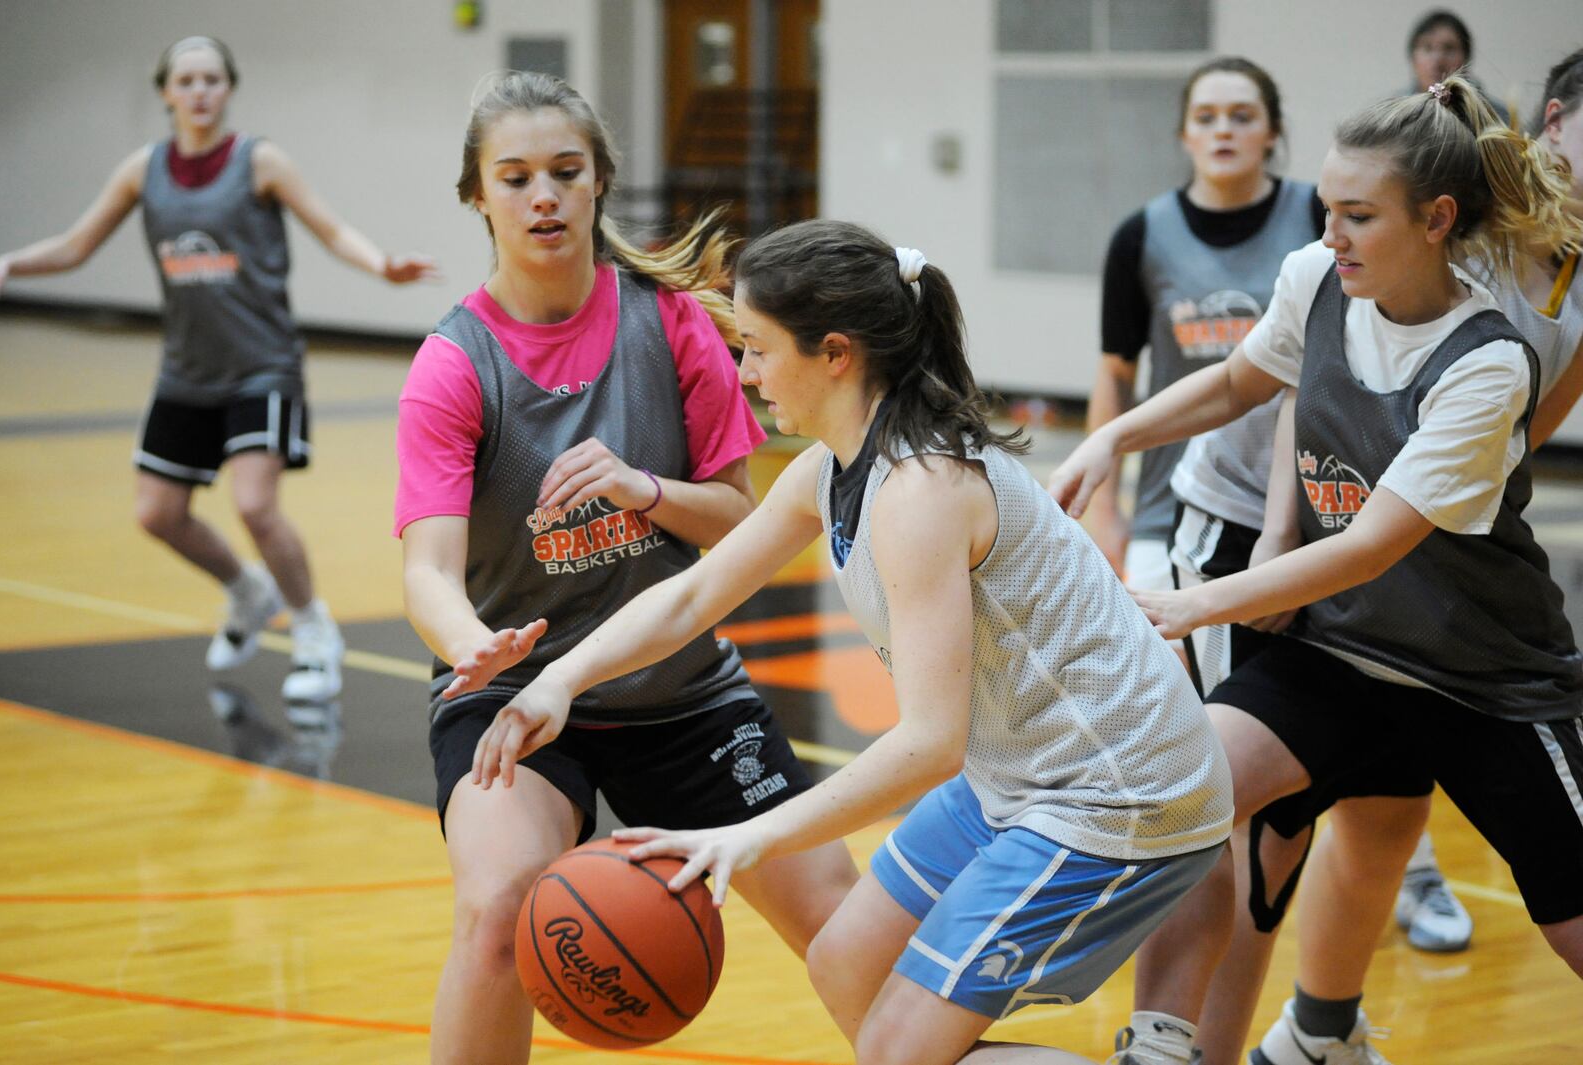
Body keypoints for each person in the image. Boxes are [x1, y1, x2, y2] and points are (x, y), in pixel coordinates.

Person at [462, 218, 1234, 1065]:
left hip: (1116, 792)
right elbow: (691, 596)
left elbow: (929, 743)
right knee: (844, 961)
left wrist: (747, 834)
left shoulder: (922, 491)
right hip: (1018, 772)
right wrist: (559, 680)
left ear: (835, 353)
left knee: (900, 1049)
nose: (744, 371)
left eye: (756, 348)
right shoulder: (831, 466)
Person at [1050, 75, 1583, 1065]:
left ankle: (1315, 1033)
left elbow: (1370, 545)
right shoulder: (1317, 279)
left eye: (1356, 216)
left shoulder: (1487, 358)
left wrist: (1179, 604)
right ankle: (1164, 1045)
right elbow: (1239, 383)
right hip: (1342, 647)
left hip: (1479, 674)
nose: (1329, 233)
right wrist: (1110, 440)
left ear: (1435, 219)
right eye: (1328, 210)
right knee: (1180, 789)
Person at [395, 72, 859, 1065]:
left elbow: (739, 518)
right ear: (478, 196)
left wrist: (642, 489)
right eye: (514, 178)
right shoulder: (453, 362)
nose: (543, 197)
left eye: (564, 172)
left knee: (844, 921)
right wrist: (474, 648)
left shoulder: (672, 321)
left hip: (679, 693)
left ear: (601, 181)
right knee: (496, 906)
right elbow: (428, 570)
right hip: (518, 697)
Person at [0, 35, 436, 700]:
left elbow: (332, 230)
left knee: (255, 502)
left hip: (263, 366)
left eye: (212, 80)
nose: (200, 92)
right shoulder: (144, 170)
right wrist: (12, 263)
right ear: (166, 91)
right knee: (157, 514)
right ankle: (247, 590)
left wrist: (380, 264)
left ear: (228, 88)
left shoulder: (261, 160)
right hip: (187, 371)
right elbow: (77, 245)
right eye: (187, 80)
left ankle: (314, 629)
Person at [1086, 59, 1323, 591]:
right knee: (1163, 672)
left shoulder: (1318, 216)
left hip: (1292, 506)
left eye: (1241, 116)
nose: (1223, 130)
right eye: (1206, 117)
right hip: (1166, 506)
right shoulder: (1140, 236)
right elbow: (1115, 376)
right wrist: (1106, 512)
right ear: (1184, 134)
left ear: (1272, 132)